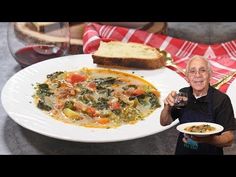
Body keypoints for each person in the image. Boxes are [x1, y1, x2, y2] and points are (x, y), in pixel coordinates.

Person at [160, 55, 236, 155]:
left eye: (202, 70)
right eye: (192, 71)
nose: (197, 75)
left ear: (210, 75)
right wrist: (167, 107)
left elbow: (229, 139)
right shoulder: (183, 94)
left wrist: (207, 140)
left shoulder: (221, 100)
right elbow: (164, 122)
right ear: (187, 76)